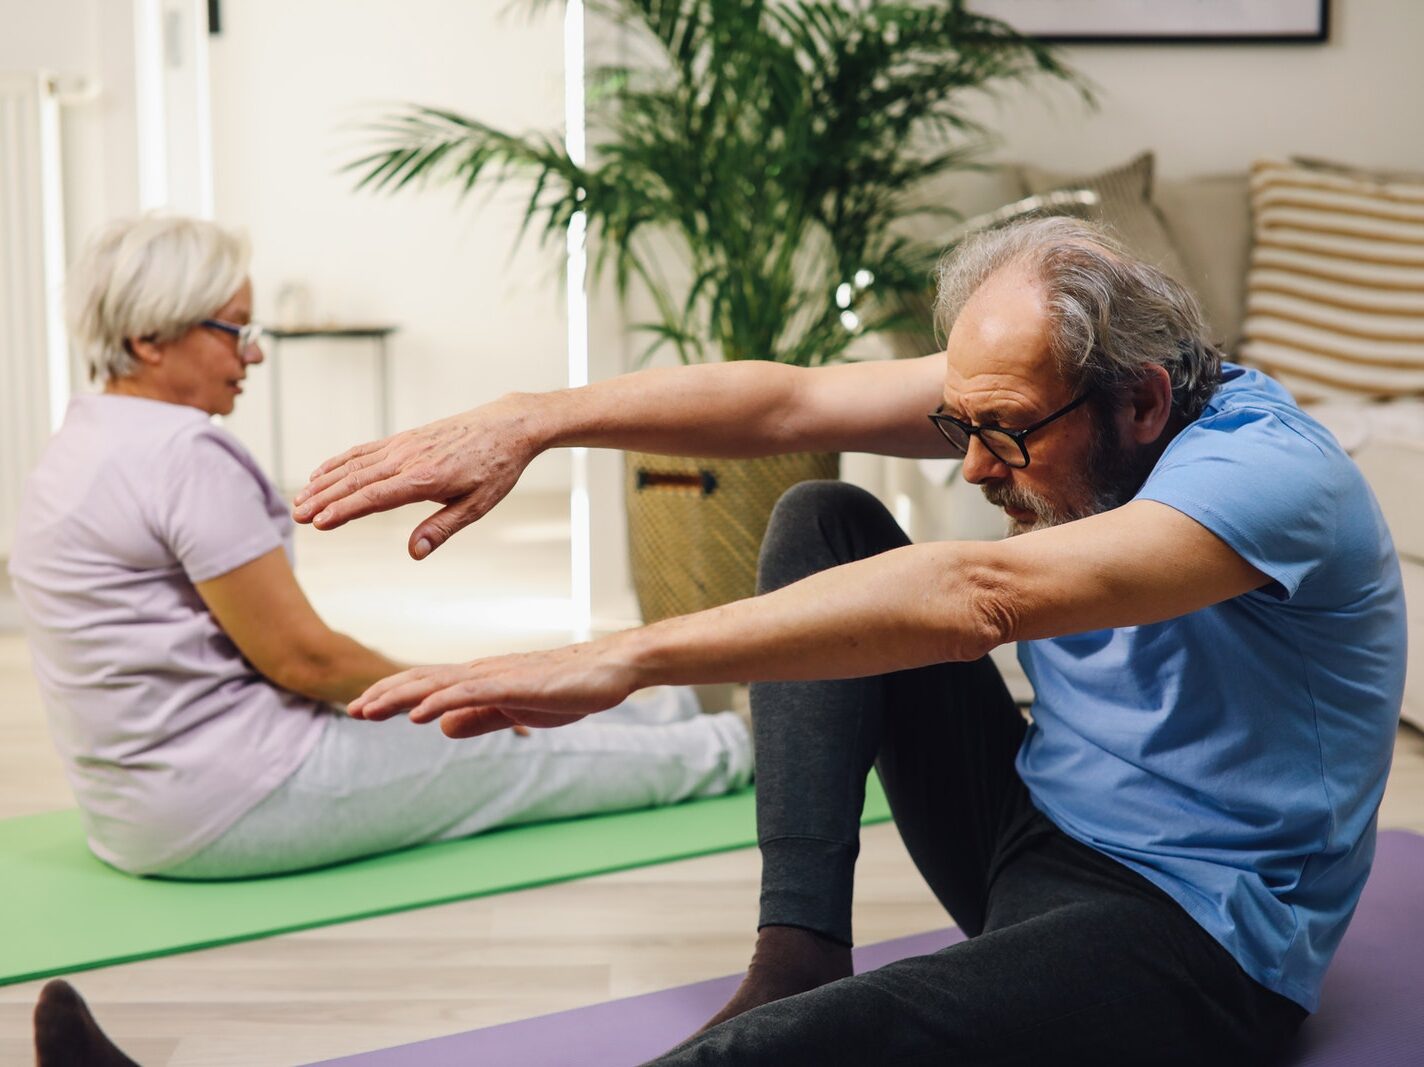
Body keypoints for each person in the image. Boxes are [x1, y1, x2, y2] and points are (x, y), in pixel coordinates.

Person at [285, 216, 1404, 1065]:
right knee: (821, 520)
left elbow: (979, 592)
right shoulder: (1050, 399)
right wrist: (533, 417)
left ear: (1144, 402)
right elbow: (786, 407)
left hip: (1193, 935)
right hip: (1027, 831)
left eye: (1003, 434)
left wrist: (624, 655)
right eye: (960, 427)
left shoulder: (1267, 477)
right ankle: (797, 948)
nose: (972, 465)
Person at [8, 214, 753, 887]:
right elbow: (306, 661)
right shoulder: (183, 456)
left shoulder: (79, 443)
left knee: (498, 710)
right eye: (234, 330)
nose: (255, 352)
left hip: (134, 811)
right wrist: (458, 691)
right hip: (228, 801)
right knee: (497, 746)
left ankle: (677, 710)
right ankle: (744, 748)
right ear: (149, 338)